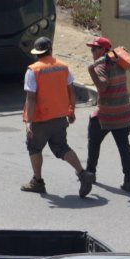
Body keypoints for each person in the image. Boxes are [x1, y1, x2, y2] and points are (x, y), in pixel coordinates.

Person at [21, 36, 95, 197]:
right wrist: (71, 110)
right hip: (59, 117)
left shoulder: (33, 70)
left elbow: (31, 98)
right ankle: (83, 173)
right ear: (51, 50)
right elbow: (71, 90)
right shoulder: (63, 67)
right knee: (62, 147)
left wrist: (29, 122)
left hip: (40, 119)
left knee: (34, 147)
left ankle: (37, 182)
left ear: (37, 53)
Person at [85, 36, 130, 193]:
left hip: (106, 114)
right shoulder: (119, 60)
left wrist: (91, 71)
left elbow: (102, 87)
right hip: (124, 112)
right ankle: (129, 181)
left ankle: (90, 173)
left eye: (94, 48)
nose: (92, 51)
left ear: (103, 50)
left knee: (94, 142)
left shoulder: (101, 65)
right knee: (123, 146)